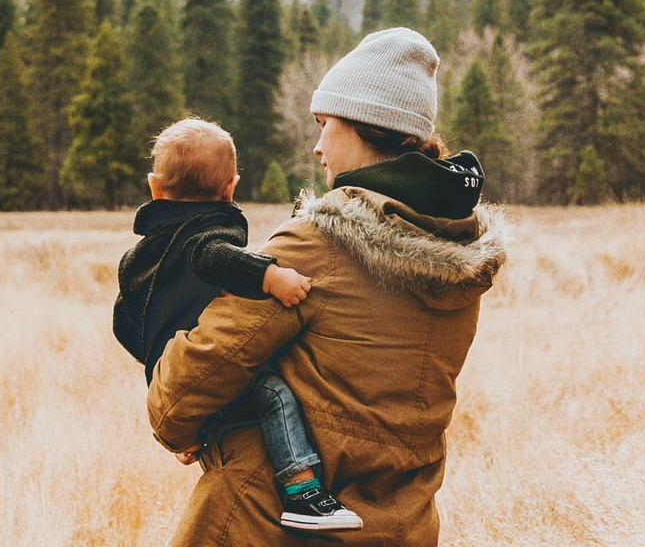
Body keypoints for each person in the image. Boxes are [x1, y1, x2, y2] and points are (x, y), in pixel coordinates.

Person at [148, 27, 506, 546]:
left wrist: (187, 427)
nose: (317, 146)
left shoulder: (317, 245)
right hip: (403, 528)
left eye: (325, 124)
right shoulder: (457, 255)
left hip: (264, 522)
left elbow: (186, 388)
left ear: (363, 125)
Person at [114, 117, 363, 532]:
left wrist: (157, 365)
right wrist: (271, 277)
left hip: (168, 369)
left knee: (227, 413)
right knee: (274, 393)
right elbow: (210, 256)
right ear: (231, 187)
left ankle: (197, 430)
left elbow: (124, 321)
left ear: (155, 188)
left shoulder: (143, 255)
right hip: (201, 368)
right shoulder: (205, 231)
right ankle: (302, 492)